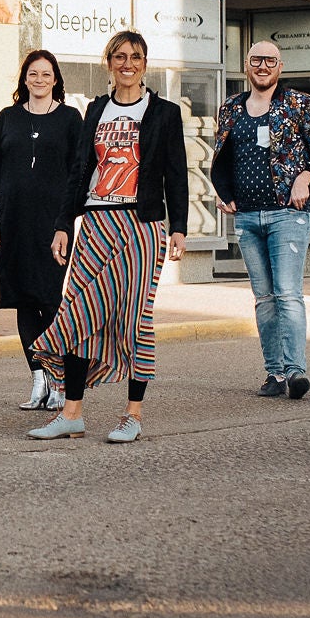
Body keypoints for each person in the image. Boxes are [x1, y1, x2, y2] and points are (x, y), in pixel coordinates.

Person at [28, 30, 187, 445]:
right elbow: (80, 172)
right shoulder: (95, 110)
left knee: (134, 319)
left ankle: (132, 415)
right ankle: (72, 414)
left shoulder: (164, 113)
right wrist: (64, 222)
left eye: (135, 56)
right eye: (119, 56)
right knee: (79, 315)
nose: (127, 63)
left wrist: (180, 228)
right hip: (96, 224)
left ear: (144, 64)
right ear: (109, 63)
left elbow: (177, 176)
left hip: (141, 225)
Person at [212, 39, 310, 400]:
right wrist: (223, 192)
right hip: (247, 217)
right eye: (256, 60)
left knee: (288, 294)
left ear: (280, 67)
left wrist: (304, 178)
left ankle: (296, 371)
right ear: (245, 66)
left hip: (287, 216)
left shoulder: (298, 104)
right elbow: (223, 157)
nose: (263, 66)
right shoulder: (230, 108)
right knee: (264, 299)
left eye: (270, 61)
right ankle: (274, 374)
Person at [0, 50, 87, 411]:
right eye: (33, 74)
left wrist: (67, 223)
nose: (39, 80)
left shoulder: (71, 118)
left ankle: (58, 379)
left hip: (53, 223)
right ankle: (38, 378)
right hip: (11, 221)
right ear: (24, 79)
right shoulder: (7, 117)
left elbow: (79, 175)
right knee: (22, 300)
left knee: (51, 300)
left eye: (46, 74)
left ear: (56, 79)